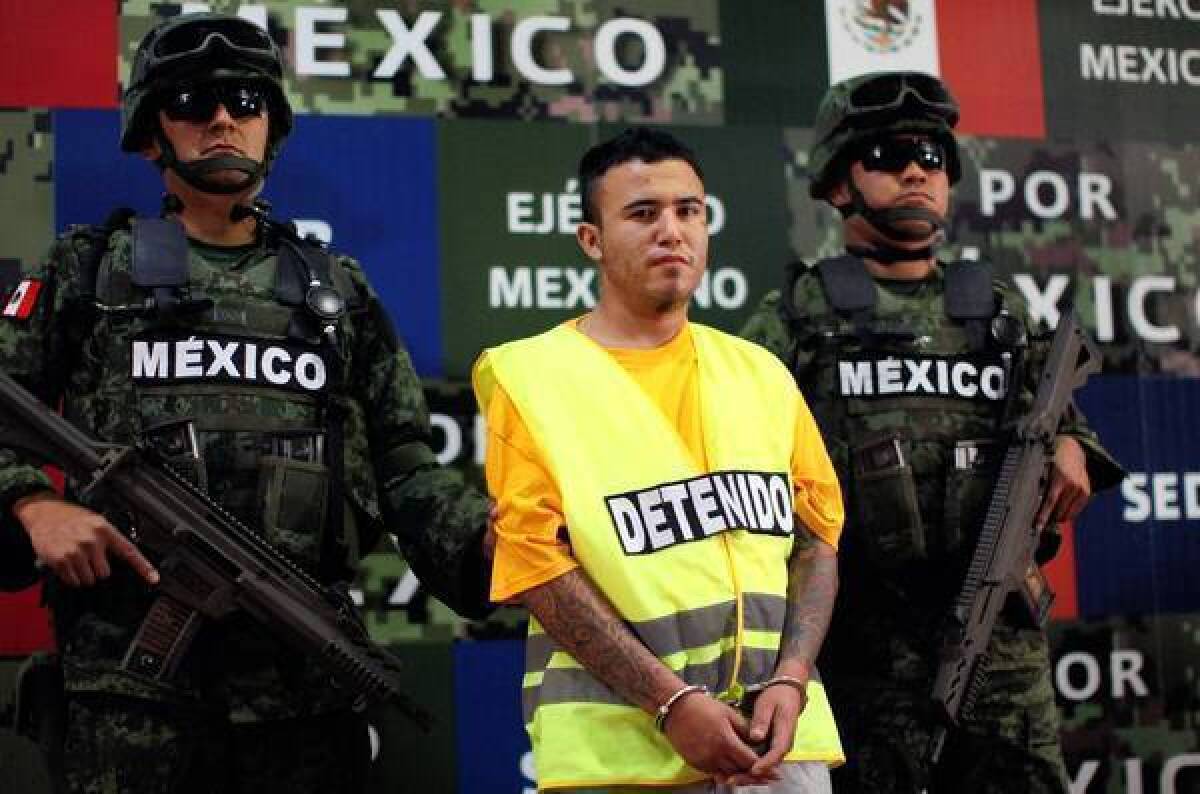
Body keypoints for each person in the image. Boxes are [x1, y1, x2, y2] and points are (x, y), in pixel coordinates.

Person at [0, 12, 492, 793]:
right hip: (130, 700)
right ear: (151, 131)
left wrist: (497, 547)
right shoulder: (90, 270)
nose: (223, 119)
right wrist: (30, 503)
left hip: (304, 691)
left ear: (272, 126)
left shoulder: (338, 292)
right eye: (194, 101)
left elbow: (406, 469)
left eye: (244, 101)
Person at [741, 72, 1126, 793]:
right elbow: (732, 452)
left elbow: (1057, 416)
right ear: (835, 184)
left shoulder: (997, 307)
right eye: (886, 155)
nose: (917, 169)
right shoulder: (797, 313)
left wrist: (1074, 447)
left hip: (997, 644)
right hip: (858, 640)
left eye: (931, 155)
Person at [472, 127, 845, 793]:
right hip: (625, 757)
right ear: (591, 240)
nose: (671, 230)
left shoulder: (759, 371)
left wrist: (791, 678)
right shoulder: (532, 376)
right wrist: (672, 703)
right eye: (643, 214)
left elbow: (817, 540)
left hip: (778, 743)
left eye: (689, 211)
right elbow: (533, 565)